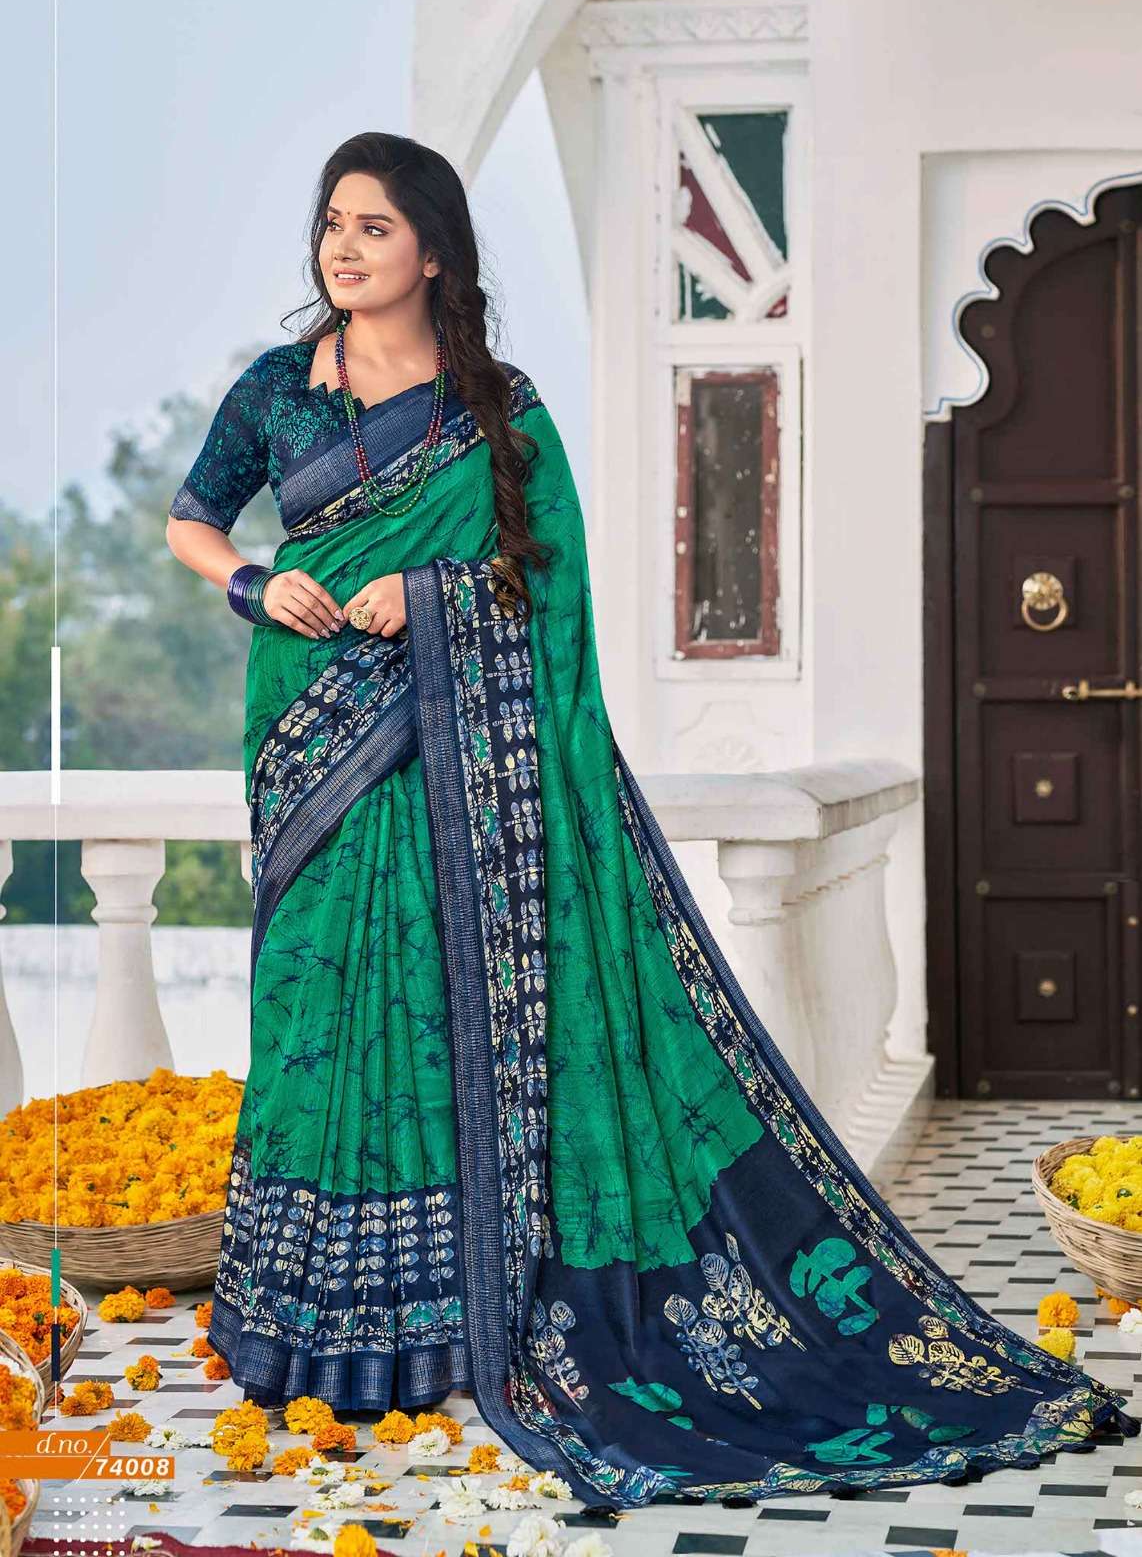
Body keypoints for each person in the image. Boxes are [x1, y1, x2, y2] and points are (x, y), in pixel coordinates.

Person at [166, 131, 1136, 1512]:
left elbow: (543, 583)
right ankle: (315, 1320)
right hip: (311, 739)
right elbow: (193, 520)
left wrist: (428, 596)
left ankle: (447, 1321)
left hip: (447, 761)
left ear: (432, 251)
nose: (344, 248)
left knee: (433, 1013)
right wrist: (254, 585)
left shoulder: (493, 407)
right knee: (315, 1005)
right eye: (333, 224)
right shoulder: (277, 389)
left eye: (374, 227)